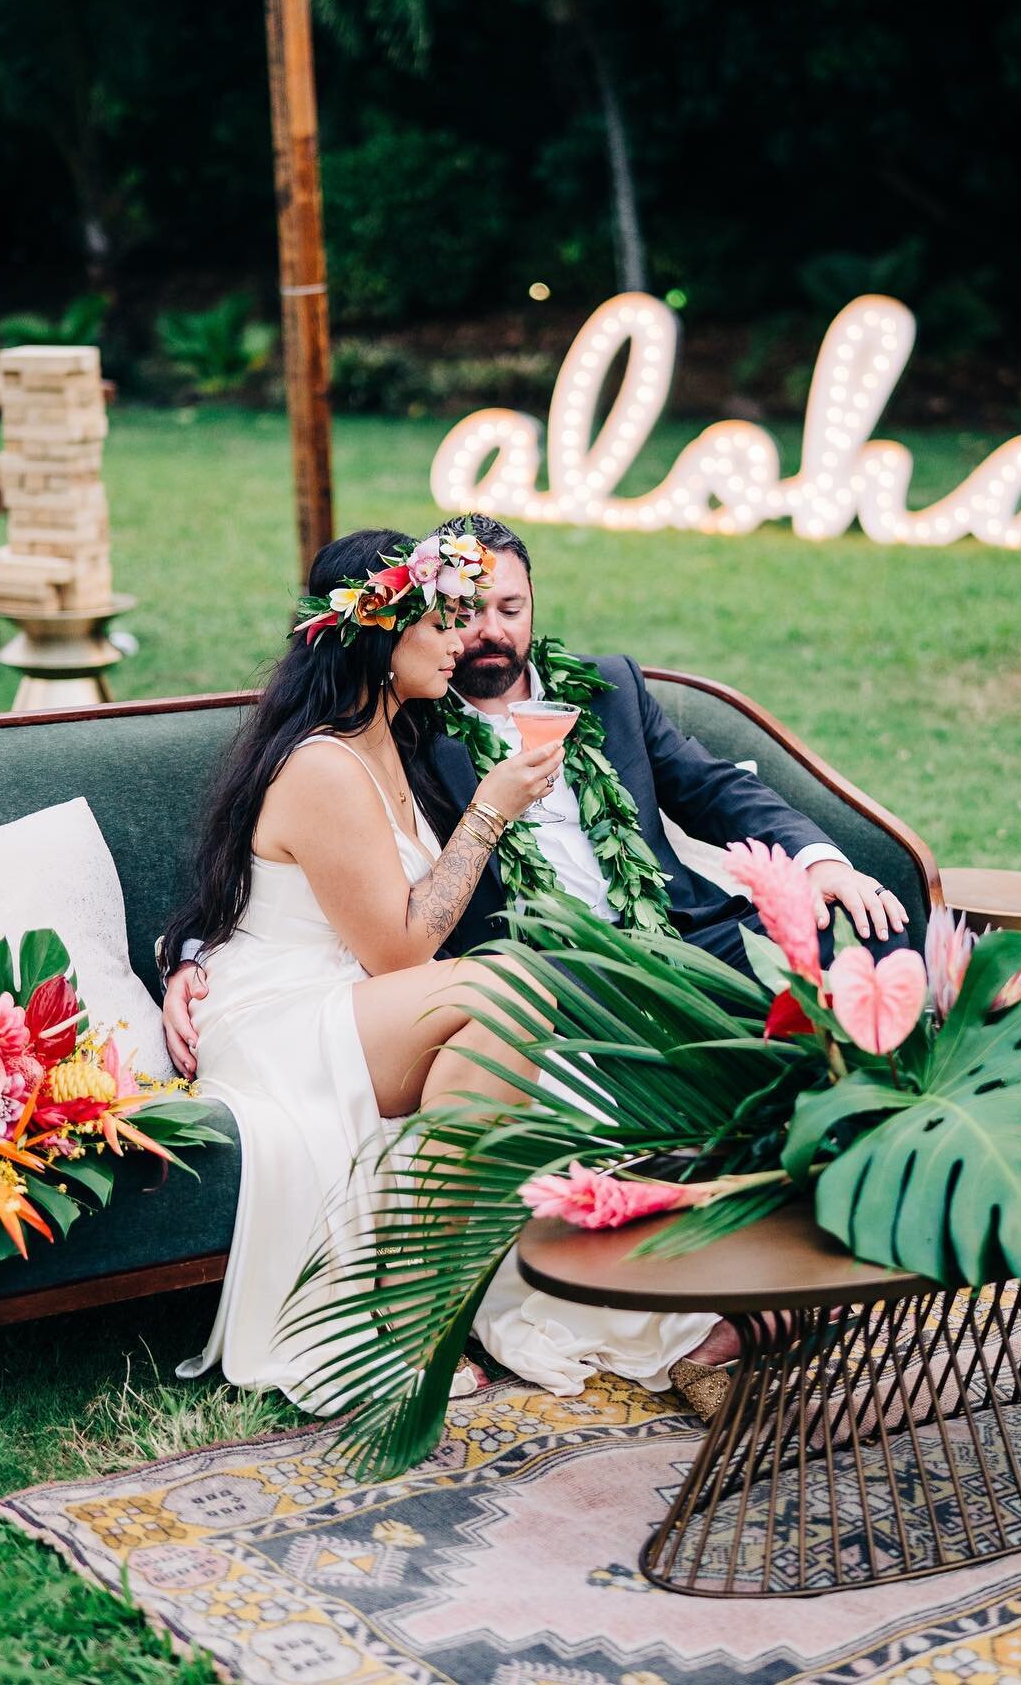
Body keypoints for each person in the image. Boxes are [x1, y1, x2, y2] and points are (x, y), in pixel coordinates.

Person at [161, 525, 730, 1413]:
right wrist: (492, 810)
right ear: (382, 636)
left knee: (506, 1024)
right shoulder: (323, 765)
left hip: (358, 1004)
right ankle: (410, 1318)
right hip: (290, 1016)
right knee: (504, 989)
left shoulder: (405, 733)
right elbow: (400, 951)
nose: (464, 639)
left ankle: (437, 1302)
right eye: (443, 622)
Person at [164, 514, 911, 1078]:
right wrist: (195, 958)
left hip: (673, 937)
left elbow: (713, 788)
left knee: (861, 931)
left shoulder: (609, 690)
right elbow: (295, 860)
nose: (482, 634)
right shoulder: (409, 723)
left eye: (509, 610)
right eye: (466, 611)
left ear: (533, 608)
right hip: (544, 965)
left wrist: (820, 863)